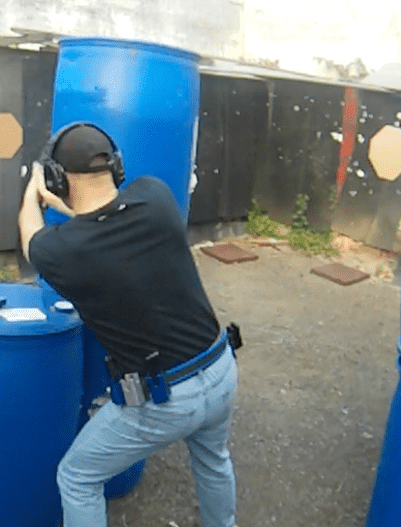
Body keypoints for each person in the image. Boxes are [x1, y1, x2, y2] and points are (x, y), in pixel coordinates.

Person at [18, 122, 239, 527]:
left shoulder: (64, 253)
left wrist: (35, 192)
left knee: (77, 477)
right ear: (116, 168)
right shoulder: (156, 196)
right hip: (222, 367)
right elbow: (102, 216)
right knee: (213, 459)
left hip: (168, 399)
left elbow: (31, 233)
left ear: (57, 179)